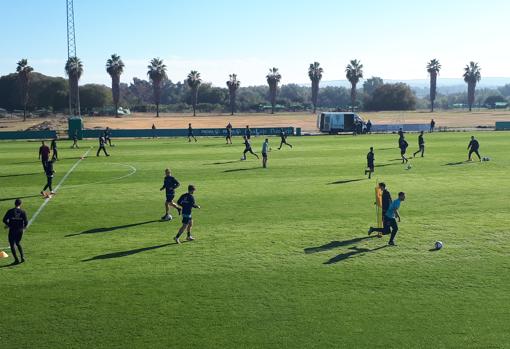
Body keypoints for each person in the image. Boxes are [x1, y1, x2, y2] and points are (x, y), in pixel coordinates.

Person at [2, 199, 28, 265]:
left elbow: (4, 219)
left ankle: (16, 260)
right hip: (20, 230)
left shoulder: (10, 211)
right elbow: (26, 222)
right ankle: (22, 257)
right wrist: (23, 227)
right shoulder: (23, 212)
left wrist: (8, 225)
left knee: (12, 244)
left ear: (15, 204)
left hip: (12, 230)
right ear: (20, 204)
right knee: (18, 243)